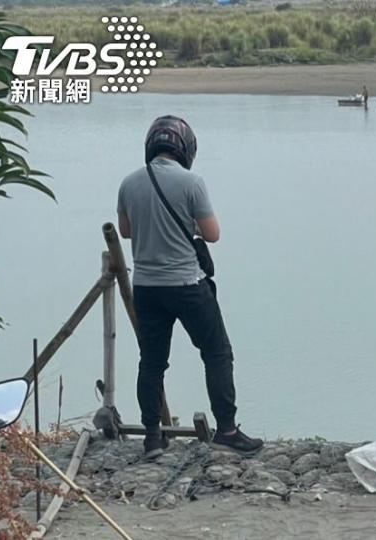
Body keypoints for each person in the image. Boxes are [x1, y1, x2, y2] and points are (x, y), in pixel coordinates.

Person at [117, 115, 263, 458]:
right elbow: (212, 233)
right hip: (186, 284)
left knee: (151, 362)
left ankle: (152, 436)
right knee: (216, 353)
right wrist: (190, 230)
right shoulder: (192, 182)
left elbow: (126, 231)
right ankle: (226, 429)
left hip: (147, 287)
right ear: (185, 148)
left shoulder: (128, 183)